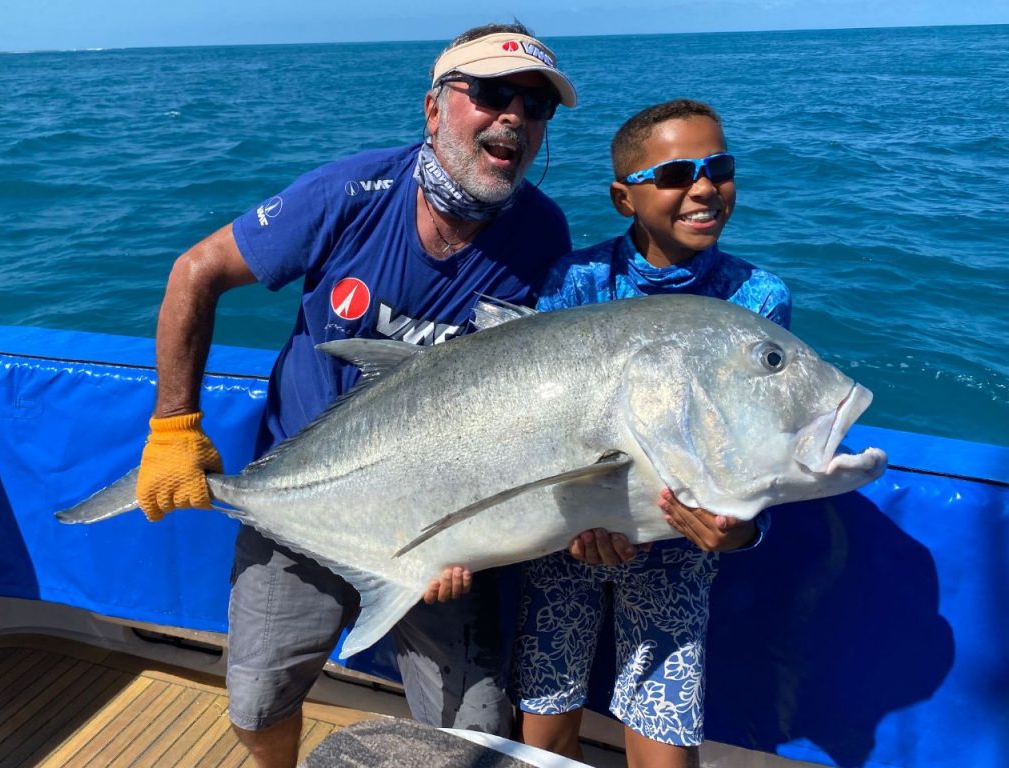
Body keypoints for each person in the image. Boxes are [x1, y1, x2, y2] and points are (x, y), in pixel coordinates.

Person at [133, 21, 576, 768]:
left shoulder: (544, 237)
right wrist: (173, 426)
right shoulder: (350, 193)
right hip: (304, 504)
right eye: (494, 95)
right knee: (256, 699)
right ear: (435, 108)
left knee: (472, 734)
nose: (515, 118)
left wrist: (470, 535)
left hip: (440, 532)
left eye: (537, 108)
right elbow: (194, 273)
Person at [512, 99, 792, 768]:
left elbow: (772, 448)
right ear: (623, 197)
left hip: (679, 550)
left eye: (718, 167)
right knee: (544, 729)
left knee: (664, 750)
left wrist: (746, 530)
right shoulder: (573, 280)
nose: (702, 188)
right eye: (674, 175)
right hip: (566, 541)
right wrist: (577, 521)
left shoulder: (758, 300)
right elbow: (542, 424)